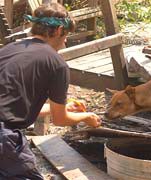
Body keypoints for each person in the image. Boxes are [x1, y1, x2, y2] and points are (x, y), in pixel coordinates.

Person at [0, 2, 101, 179]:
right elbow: (60, 120)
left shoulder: (9, 49)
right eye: (66, 34)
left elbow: (12, 105)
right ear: (58, 30)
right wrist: (87, 117)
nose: (66, 40)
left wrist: (65, 107)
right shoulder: (57, 64)